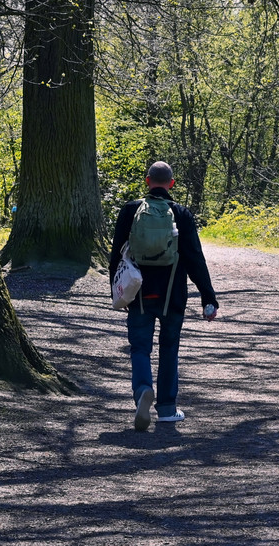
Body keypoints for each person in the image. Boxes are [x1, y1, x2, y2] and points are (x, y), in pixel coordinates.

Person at [109, 161, 219, 431]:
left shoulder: (131, 210)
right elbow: (195, 258)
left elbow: (115, 255)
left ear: (147, 182)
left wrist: (117, 291)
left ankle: (143, 391)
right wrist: (209, 297)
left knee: (140, 348)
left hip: (138, 293)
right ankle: (168, 409)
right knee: (169, 348)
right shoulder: (181, 213)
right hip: (173, 295)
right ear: (171, 184)